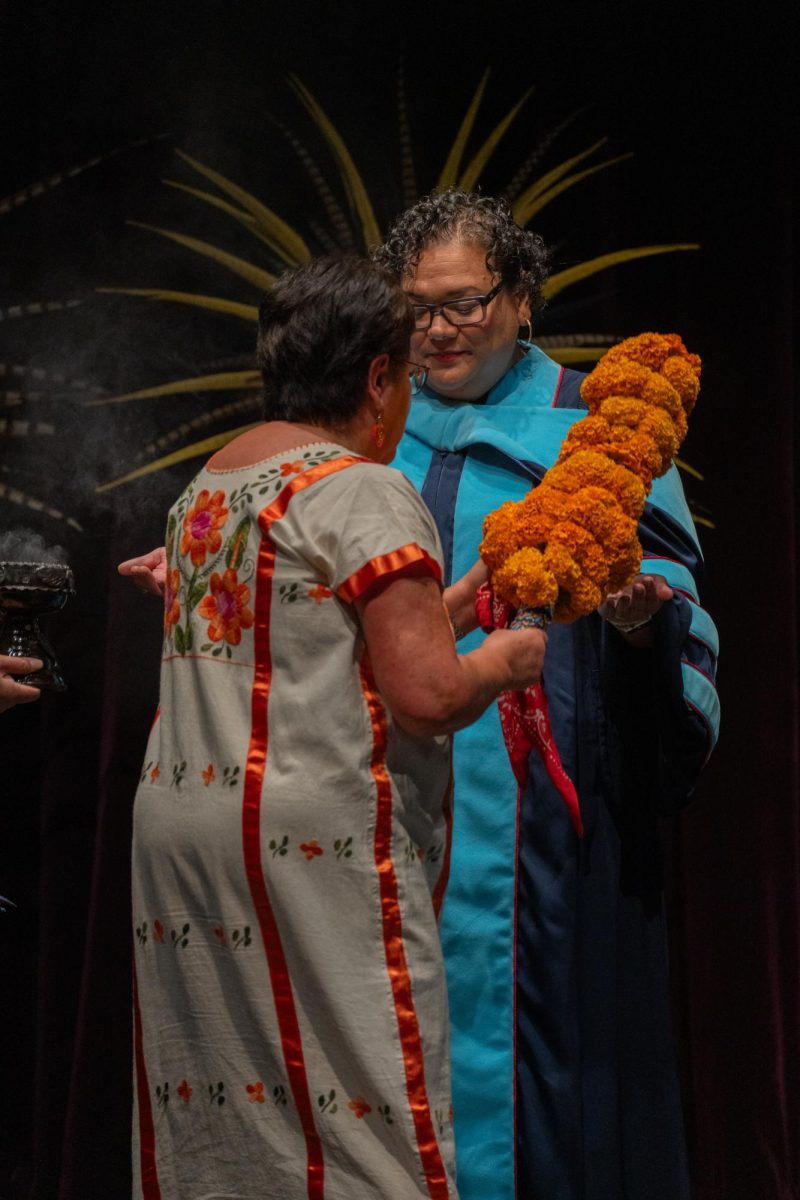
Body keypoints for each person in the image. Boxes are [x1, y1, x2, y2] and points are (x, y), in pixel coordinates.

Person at [122, 255, 547, 1199]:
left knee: (236, 1108)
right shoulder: (358, 486)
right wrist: (518, 659)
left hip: (188, 834)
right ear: (377, 379)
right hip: (307, 845)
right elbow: (429, 697)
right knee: (365, 1118)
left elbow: (313, 638)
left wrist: (464, 605)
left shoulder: (207, 487)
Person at [372, 190, 720, 1200]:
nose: (435, 330)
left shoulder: (597, 434)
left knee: (563, 1076)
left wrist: (639, 618)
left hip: (552, 831)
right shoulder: (369, 431)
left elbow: (677, 615)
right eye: (414, 308)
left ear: (522, 298)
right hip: (389, 805)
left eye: (462, 303)